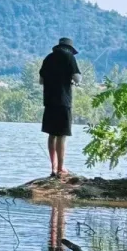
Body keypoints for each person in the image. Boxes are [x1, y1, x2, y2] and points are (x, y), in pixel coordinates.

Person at [39, 37, 79, 178]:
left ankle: (53, 168)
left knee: (52, 134)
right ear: (69, 49)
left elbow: (41, 80)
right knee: (62, 135)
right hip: (63, 102)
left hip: (49, 101)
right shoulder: (69, 57)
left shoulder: (48, 58)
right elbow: (77, 78)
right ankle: (61, 168)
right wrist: (71, 81)